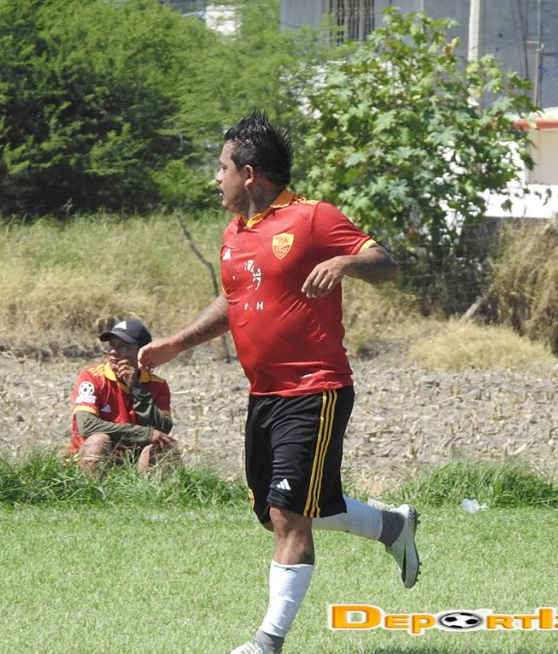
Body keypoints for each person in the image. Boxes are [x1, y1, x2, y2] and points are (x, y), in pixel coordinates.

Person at [138, 111, 420, 654]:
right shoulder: (234, 235)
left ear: (248, 174)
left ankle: (266, 643)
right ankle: (391, 527)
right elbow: (235, 300)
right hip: (263, 394)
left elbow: (385, 264)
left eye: (221, 167)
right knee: (277, 514)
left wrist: (345, 263)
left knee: (291, 516)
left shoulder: (312, 218)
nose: (215, 178)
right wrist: (178, 343)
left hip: (316, 389)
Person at [67, 319, 176, 479]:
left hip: (134, 461)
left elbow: (163, 428)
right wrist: (144, 434)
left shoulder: (157, 385)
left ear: (143, 352)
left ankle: (147, 493)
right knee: (98, 441)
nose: (113, 351)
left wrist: (136, 388)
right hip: (93, 457)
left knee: (162, 446)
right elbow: (87, 425)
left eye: (123, 346)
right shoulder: (91, 377)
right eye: (112, 344)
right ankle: (89, 490)